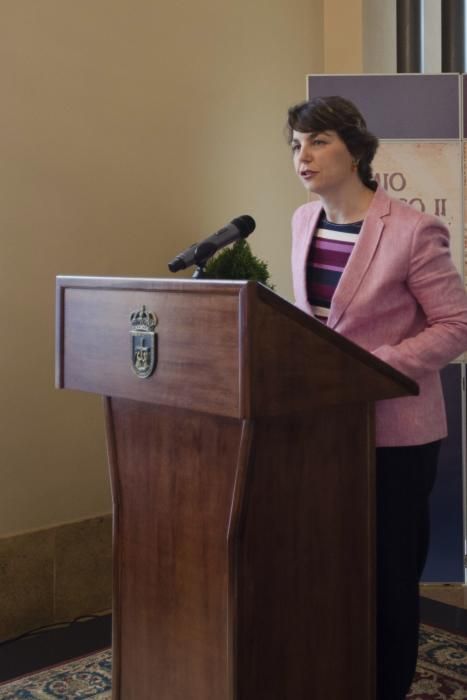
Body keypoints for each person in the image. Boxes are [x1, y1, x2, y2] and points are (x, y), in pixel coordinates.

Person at [287, 95, 467, 700]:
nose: (302, 156)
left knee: (389, 576)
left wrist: (373, 367)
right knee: (333, 567)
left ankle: (386, 686)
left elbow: (456, 324)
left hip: (396, 433)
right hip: (324, 431)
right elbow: (316, 320)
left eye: (317, 141)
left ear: (356, 150)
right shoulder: (301, 221)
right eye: (294, 144)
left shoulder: (413, 231)